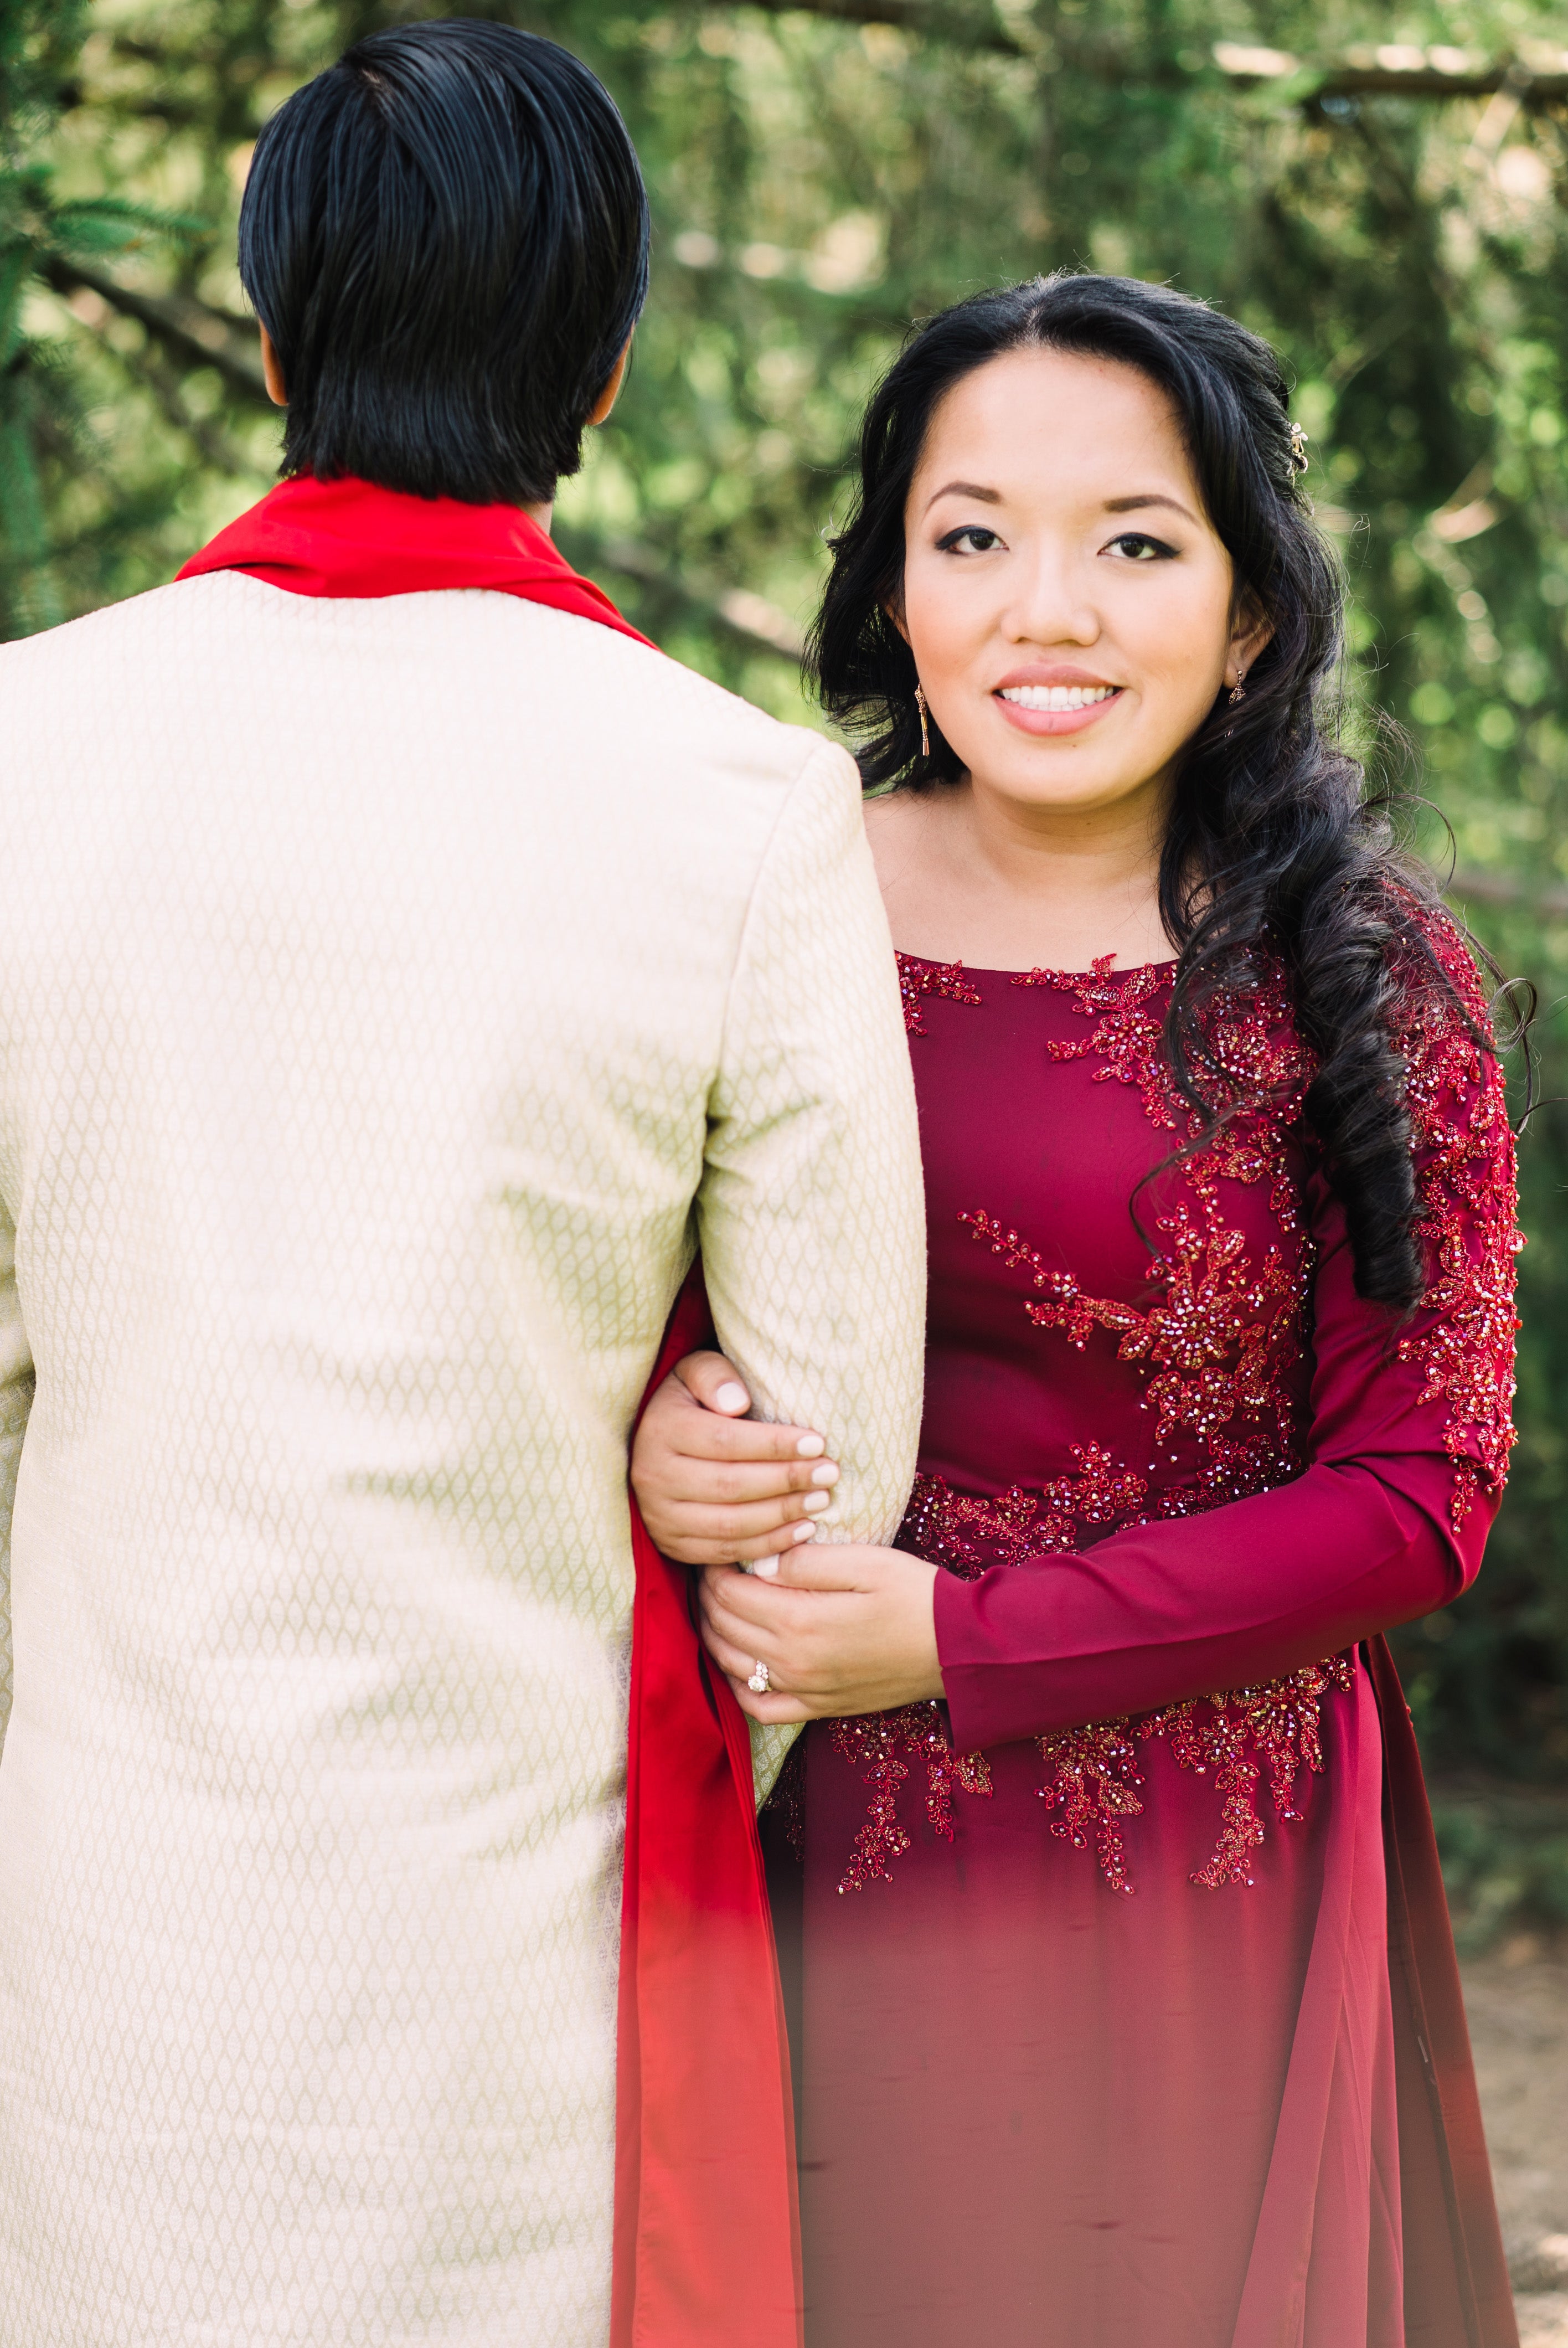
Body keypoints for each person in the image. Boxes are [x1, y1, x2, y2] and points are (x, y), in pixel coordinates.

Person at [0, 22, 926, 2345]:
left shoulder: (26, 742)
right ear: (605, 359)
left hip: (99, 1947)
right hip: (518, 1956)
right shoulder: (735, 804)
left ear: (277, 325)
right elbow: (831, 1473)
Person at [631, 273, 1524, 2348]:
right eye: (974, 537)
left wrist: (958, 1636)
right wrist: (663, 1424)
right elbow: (580, 1289)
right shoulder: (765, 909)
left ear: (1250, 615)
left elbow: (1420, 1495)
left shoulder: (1359, 976)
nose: (1050, 608)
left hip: (1207, 1860)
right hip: (791, 1818)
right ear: (893, 596)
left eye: (1135, 541)